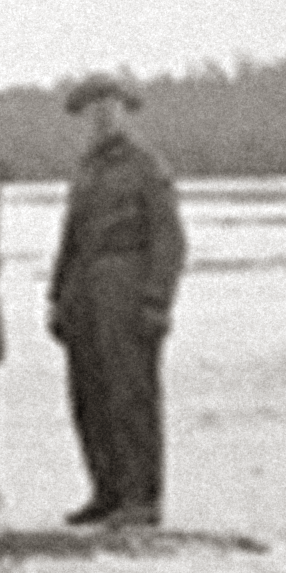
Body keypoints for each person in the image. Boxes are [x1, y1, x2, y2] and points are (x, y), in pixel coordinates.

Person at [48, 72, 191, 530]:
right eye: (93, 111)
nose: (102, 118)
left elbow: (169, 239)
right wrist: (56, 296)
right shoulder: (87, 170)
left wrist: (156, 301)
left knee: (130, 396)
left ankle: (140, 497)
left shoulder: (146, 166)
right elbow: (70, 239)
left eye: (110, 108)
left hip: (127, 292)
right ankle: (107, 492)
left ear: (126, 111)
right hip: (85, 295)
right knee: (90, 397)